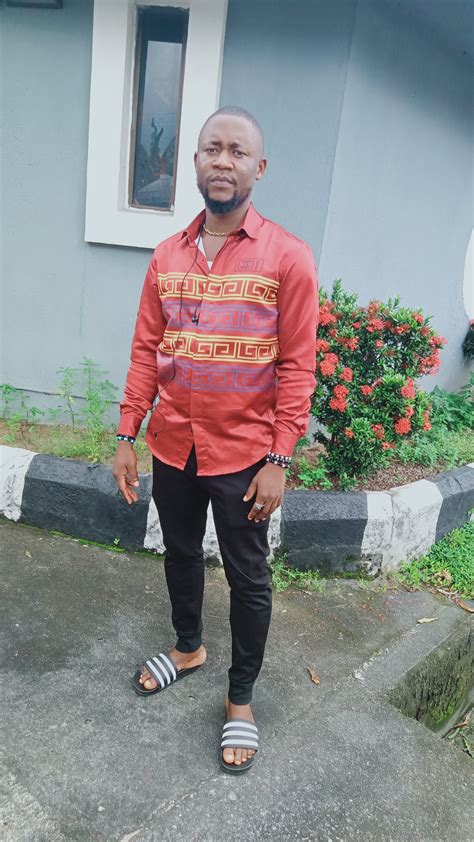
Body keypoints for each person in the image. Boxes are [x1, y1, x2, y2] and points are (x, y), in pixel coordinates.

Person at [113, 106, 319, 773]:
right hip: (173, 443)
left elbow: (298, 366)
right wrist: (126, 433)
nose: (222, 160)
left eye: (237, 151)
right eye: (211, 148)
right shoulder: (167, 256)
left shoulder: (287, 257)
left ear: (259, 168)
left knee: (248, 576)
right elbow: (146, 350)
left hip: (245, 457)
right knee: (178, 552)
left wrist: (279, 457)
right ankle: (188, 647)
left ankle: (240, 700)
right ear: (195, 162)